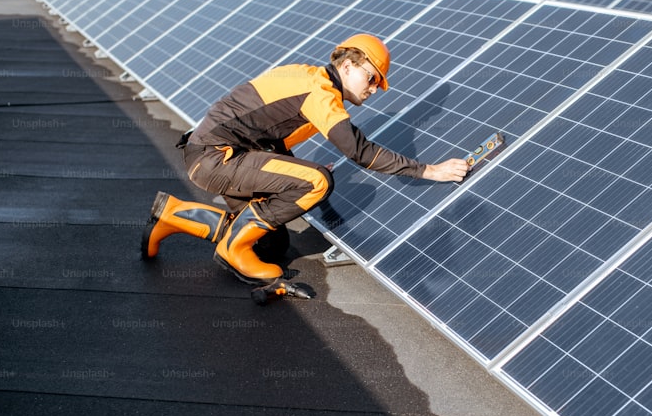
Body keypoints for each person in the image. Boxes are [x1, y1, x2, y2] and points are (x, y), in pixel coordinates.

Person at [141, 33, 469, 285]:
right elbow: (360, 152)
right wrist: (430, 171)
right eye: (371, 78)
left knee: (271, 245)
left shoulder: (306, 78)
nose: (373, 89)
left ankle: (174, 215)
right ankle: (232, 250)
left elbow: (265, 135)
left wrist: (295, 170)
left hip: (214, 156)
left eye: (378, 85)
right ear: (348, 65)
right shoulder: (321, 92)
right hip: (219, 158)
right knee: (318, 181)